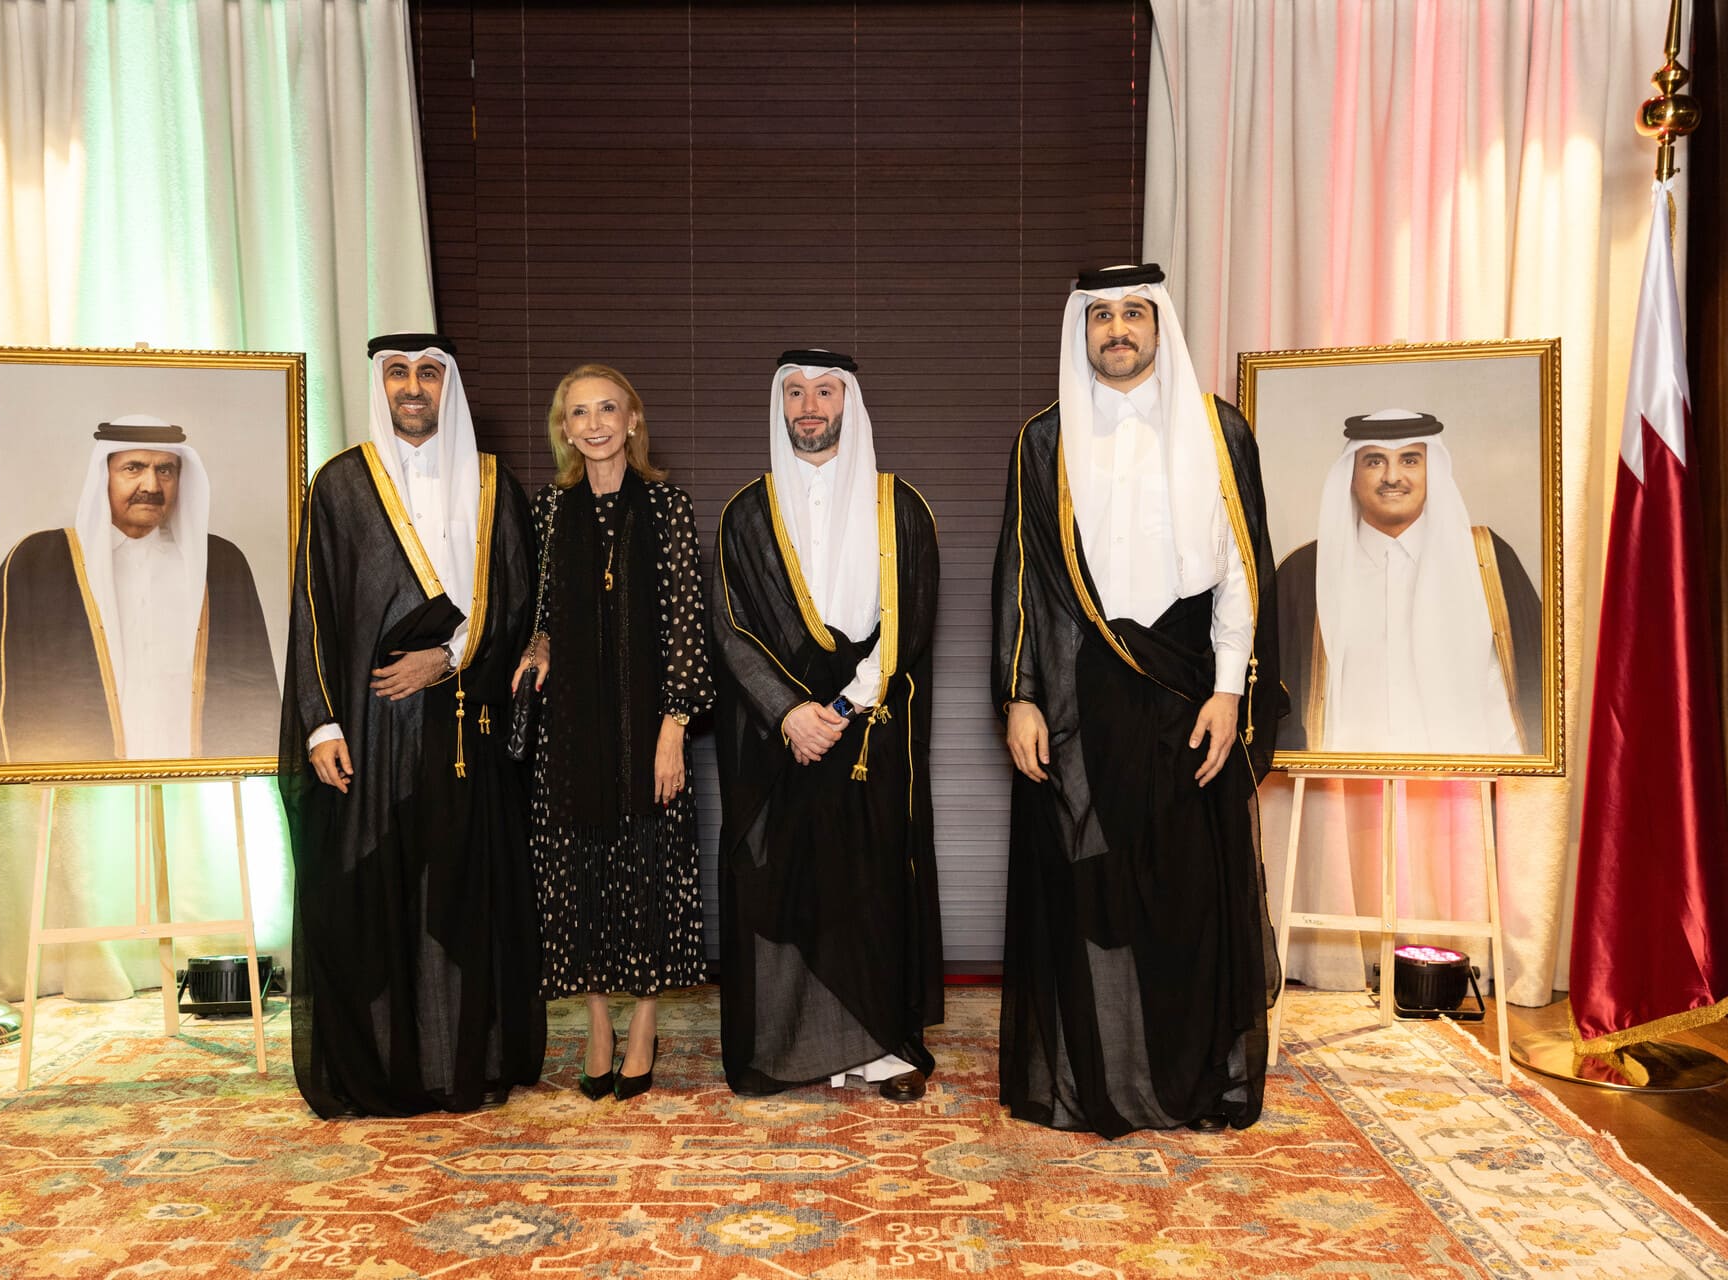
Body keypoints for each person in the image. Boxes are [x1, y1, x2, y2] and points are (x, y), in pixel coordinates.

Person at [992, 266, 1285, 1136]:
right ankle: (1097, 1081)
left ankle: (1192, 1082)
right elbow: (1022, 578)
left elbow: (1242, 573)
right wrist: (1020, 696)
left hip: (1190, 687)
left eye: (1133, 314)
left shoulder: (1220, 430)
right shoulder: (1043, 439)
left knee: (1189, 891)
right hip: (1081, 691)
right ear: (1081, 330)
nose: (1117, 329)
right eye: (1101, 317)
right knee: (1093, 889)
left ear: (1160, 326)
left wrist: (1229, 690)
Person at [280, 333, 544, 1117]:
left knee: (461, 892)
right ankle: (385, 1068)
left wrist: (448, 657)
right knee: (373, 890)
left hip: (465, 725)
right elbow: (312, 610)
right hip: (370, 727)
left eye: (428, 372)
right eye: (398, 372)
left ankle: (462, 1063)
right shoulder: (340, 483)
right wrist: (320, 725)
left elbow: (519, 603)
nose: (413, 386)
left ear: (447, 385)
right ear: (381, 384)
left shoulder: (493, 484)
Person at [710, 348, 943, 1102]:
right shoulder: (746, 512)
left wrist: (840, 709)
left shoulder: (899, 505)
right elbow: (730, 629)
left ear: (851, 403)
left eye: (826, 391)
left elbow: (909, 621)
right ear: (779, 405)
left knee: (867, 881)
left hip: (865, 728)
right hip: (777, 736)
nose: (810, 406)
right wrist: (789, 713)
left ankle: (879, 1048)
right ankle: (789, 1044)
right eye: (796, 393)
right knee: (783, 884)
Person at [511, 365, 715, 1102]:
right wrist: (537, 650)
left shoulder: (666, 505)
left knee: (650, 870)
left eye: (607, 409)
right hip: (569, 732)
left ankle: (645, 1024)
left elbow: (688, 624)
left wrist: (674, 727)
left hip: (647, 724)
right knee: (577, 876)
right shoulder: (548, 510)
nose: (594, 424)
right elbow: (541, 613)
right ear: (564, 430)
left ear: (632, 420)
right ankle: (597, 1023)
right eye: (579, 413)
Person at [0, 415, 277, 763]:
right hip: (82, 780)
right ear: (104, 476)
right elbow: (3, 690)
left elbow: (253, 683)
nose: (151, 486)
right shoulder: (38, 563)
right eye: (133, 468)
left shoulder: (220, 563)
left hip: (194, 778)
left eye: (165, 470)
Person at [1274, 411, 1544, 754]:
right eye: (1374, 462)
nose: (1392, 477)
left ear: (1433, 472)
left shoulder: (1487, 561)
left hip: (1464, 780)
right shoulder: (1304, 572)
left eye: (1410, 460)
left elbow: (1530, 686)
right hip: (1340, 781)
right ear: (1351, 477)